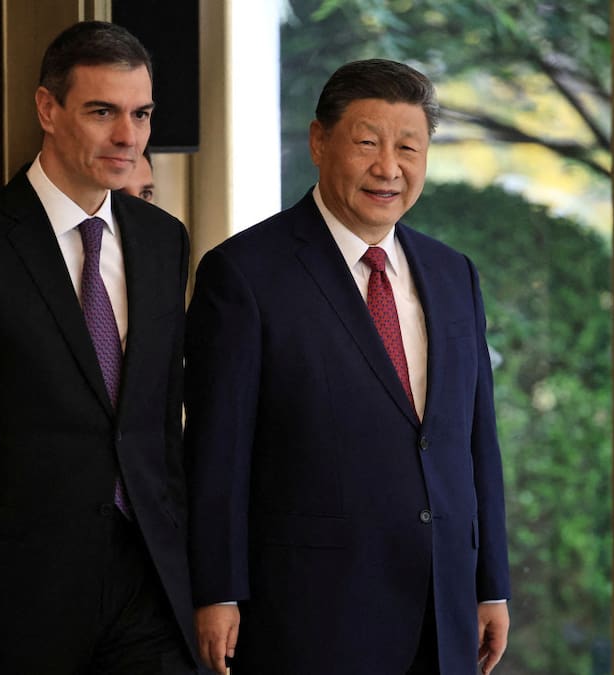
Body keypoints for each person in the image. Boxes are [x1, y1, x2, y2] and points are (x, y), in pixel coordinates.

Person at [184, 58, 512, 675]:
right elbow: (217, 451)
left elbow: (476, 441)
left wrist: (490, 581)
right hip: (312, 611)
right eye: (367, 143)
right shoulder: (246, 273)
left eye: (409, 147)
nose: (388, 167)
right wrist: (217, 590)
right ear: (318, 141)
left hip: (443, 609)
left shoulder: (452, 274)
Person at [0, 21, 197, 674]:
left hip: (150, 589)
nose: (127, 135)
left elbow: (160, 427)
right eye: (102, 111)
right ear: (48, 109)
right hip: (16, 602)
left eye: (140, 113)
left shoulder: (164, 239)